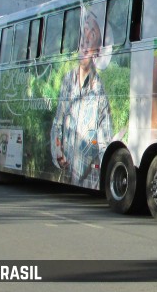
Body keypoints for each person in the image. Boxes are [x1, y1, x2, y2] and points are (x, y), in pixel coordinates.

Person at [50, 10, 113, 189]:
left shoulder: (100, 93)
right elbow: (58, 122)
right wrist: (57, 150)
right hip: (68, 174)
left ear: (98, 50)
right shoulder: (67, 80)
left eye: (90, 38)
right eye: (83, 37)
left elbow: (104, 143)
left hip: (89, 180)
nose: (84, 44)